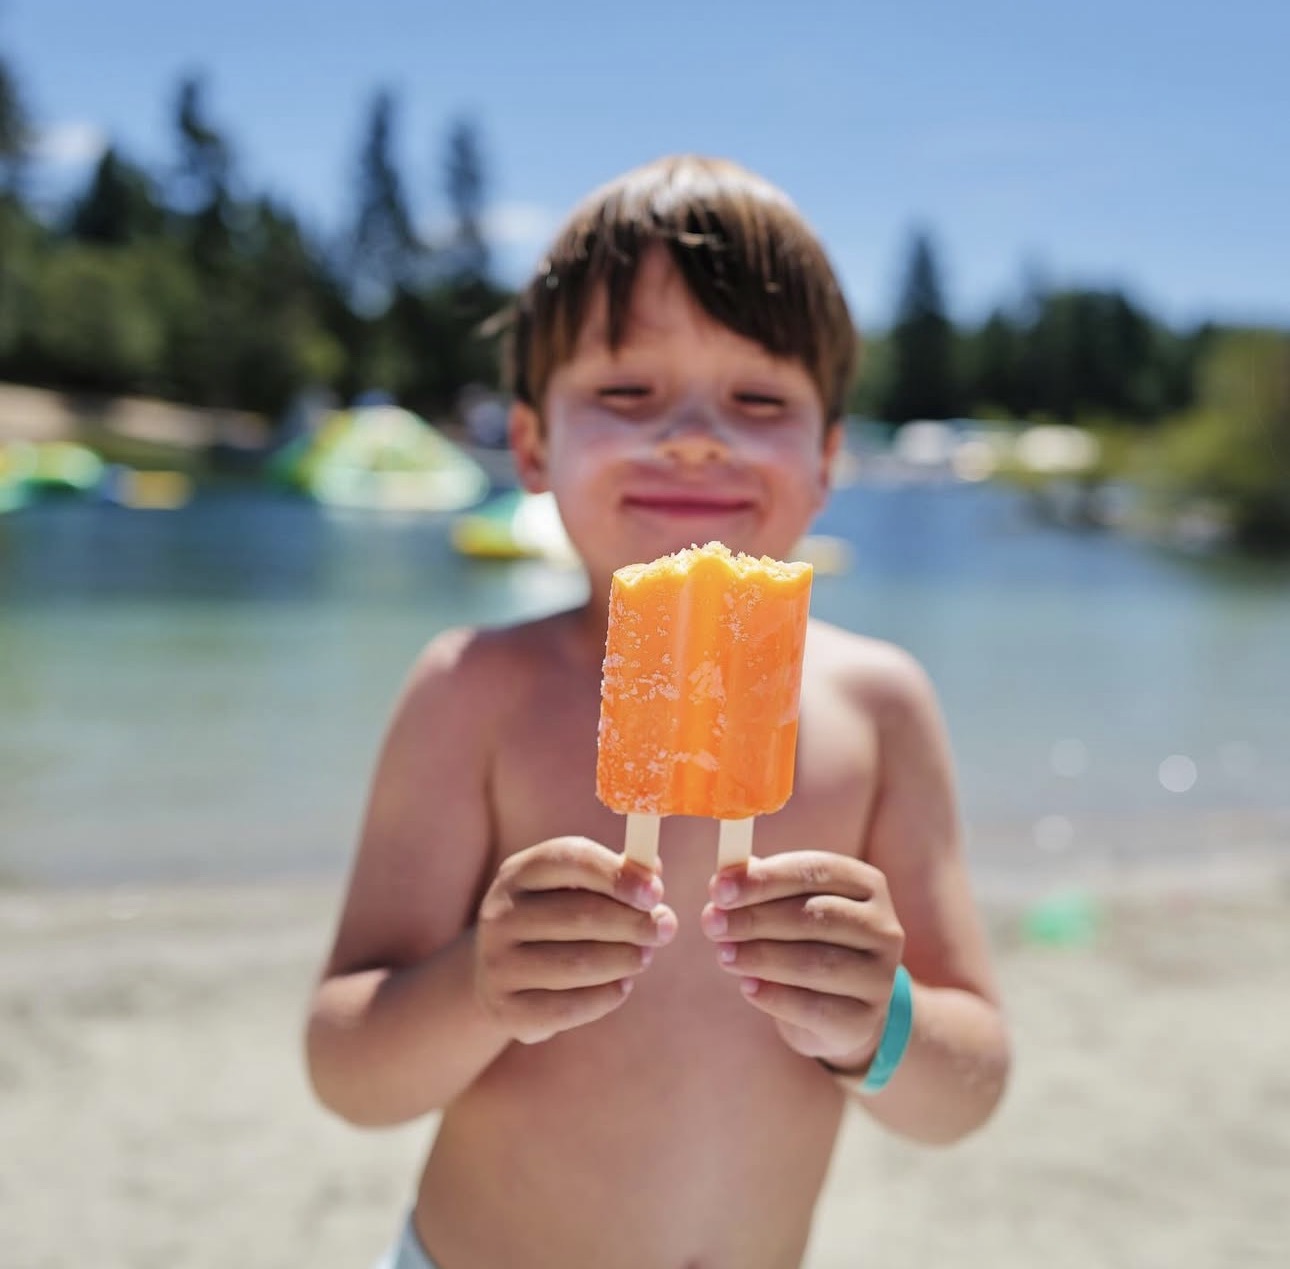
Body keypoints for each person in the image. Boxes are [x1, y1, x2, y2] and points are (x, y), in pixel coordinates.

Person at [305, 155, 1011, 1269]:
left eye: (759, 400)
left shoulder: (881, 709)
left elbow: (969, 1088)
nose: (693, 436)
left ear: (828, 458)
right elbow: (348, 1070)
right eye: (627, 394)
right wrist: (481, 986)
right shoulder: (472, 691)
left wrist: (880, 1023)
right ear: (533, 447)